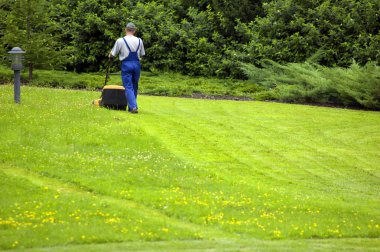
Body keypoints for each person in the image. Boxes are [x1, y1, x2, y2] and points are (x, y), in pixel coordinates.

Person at [109, 22, 145, 113]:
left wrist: (110, 56)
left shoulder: (120, 40)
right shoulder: (140, 40)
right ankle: (131, 107)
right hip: (136, 64)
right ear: (134, 31)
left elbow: (113, 53)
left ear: (125, 29)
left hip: (126, 64)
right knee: (134, 85)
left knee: (128, 86)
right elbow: (142, 54)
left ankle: (133, 107)